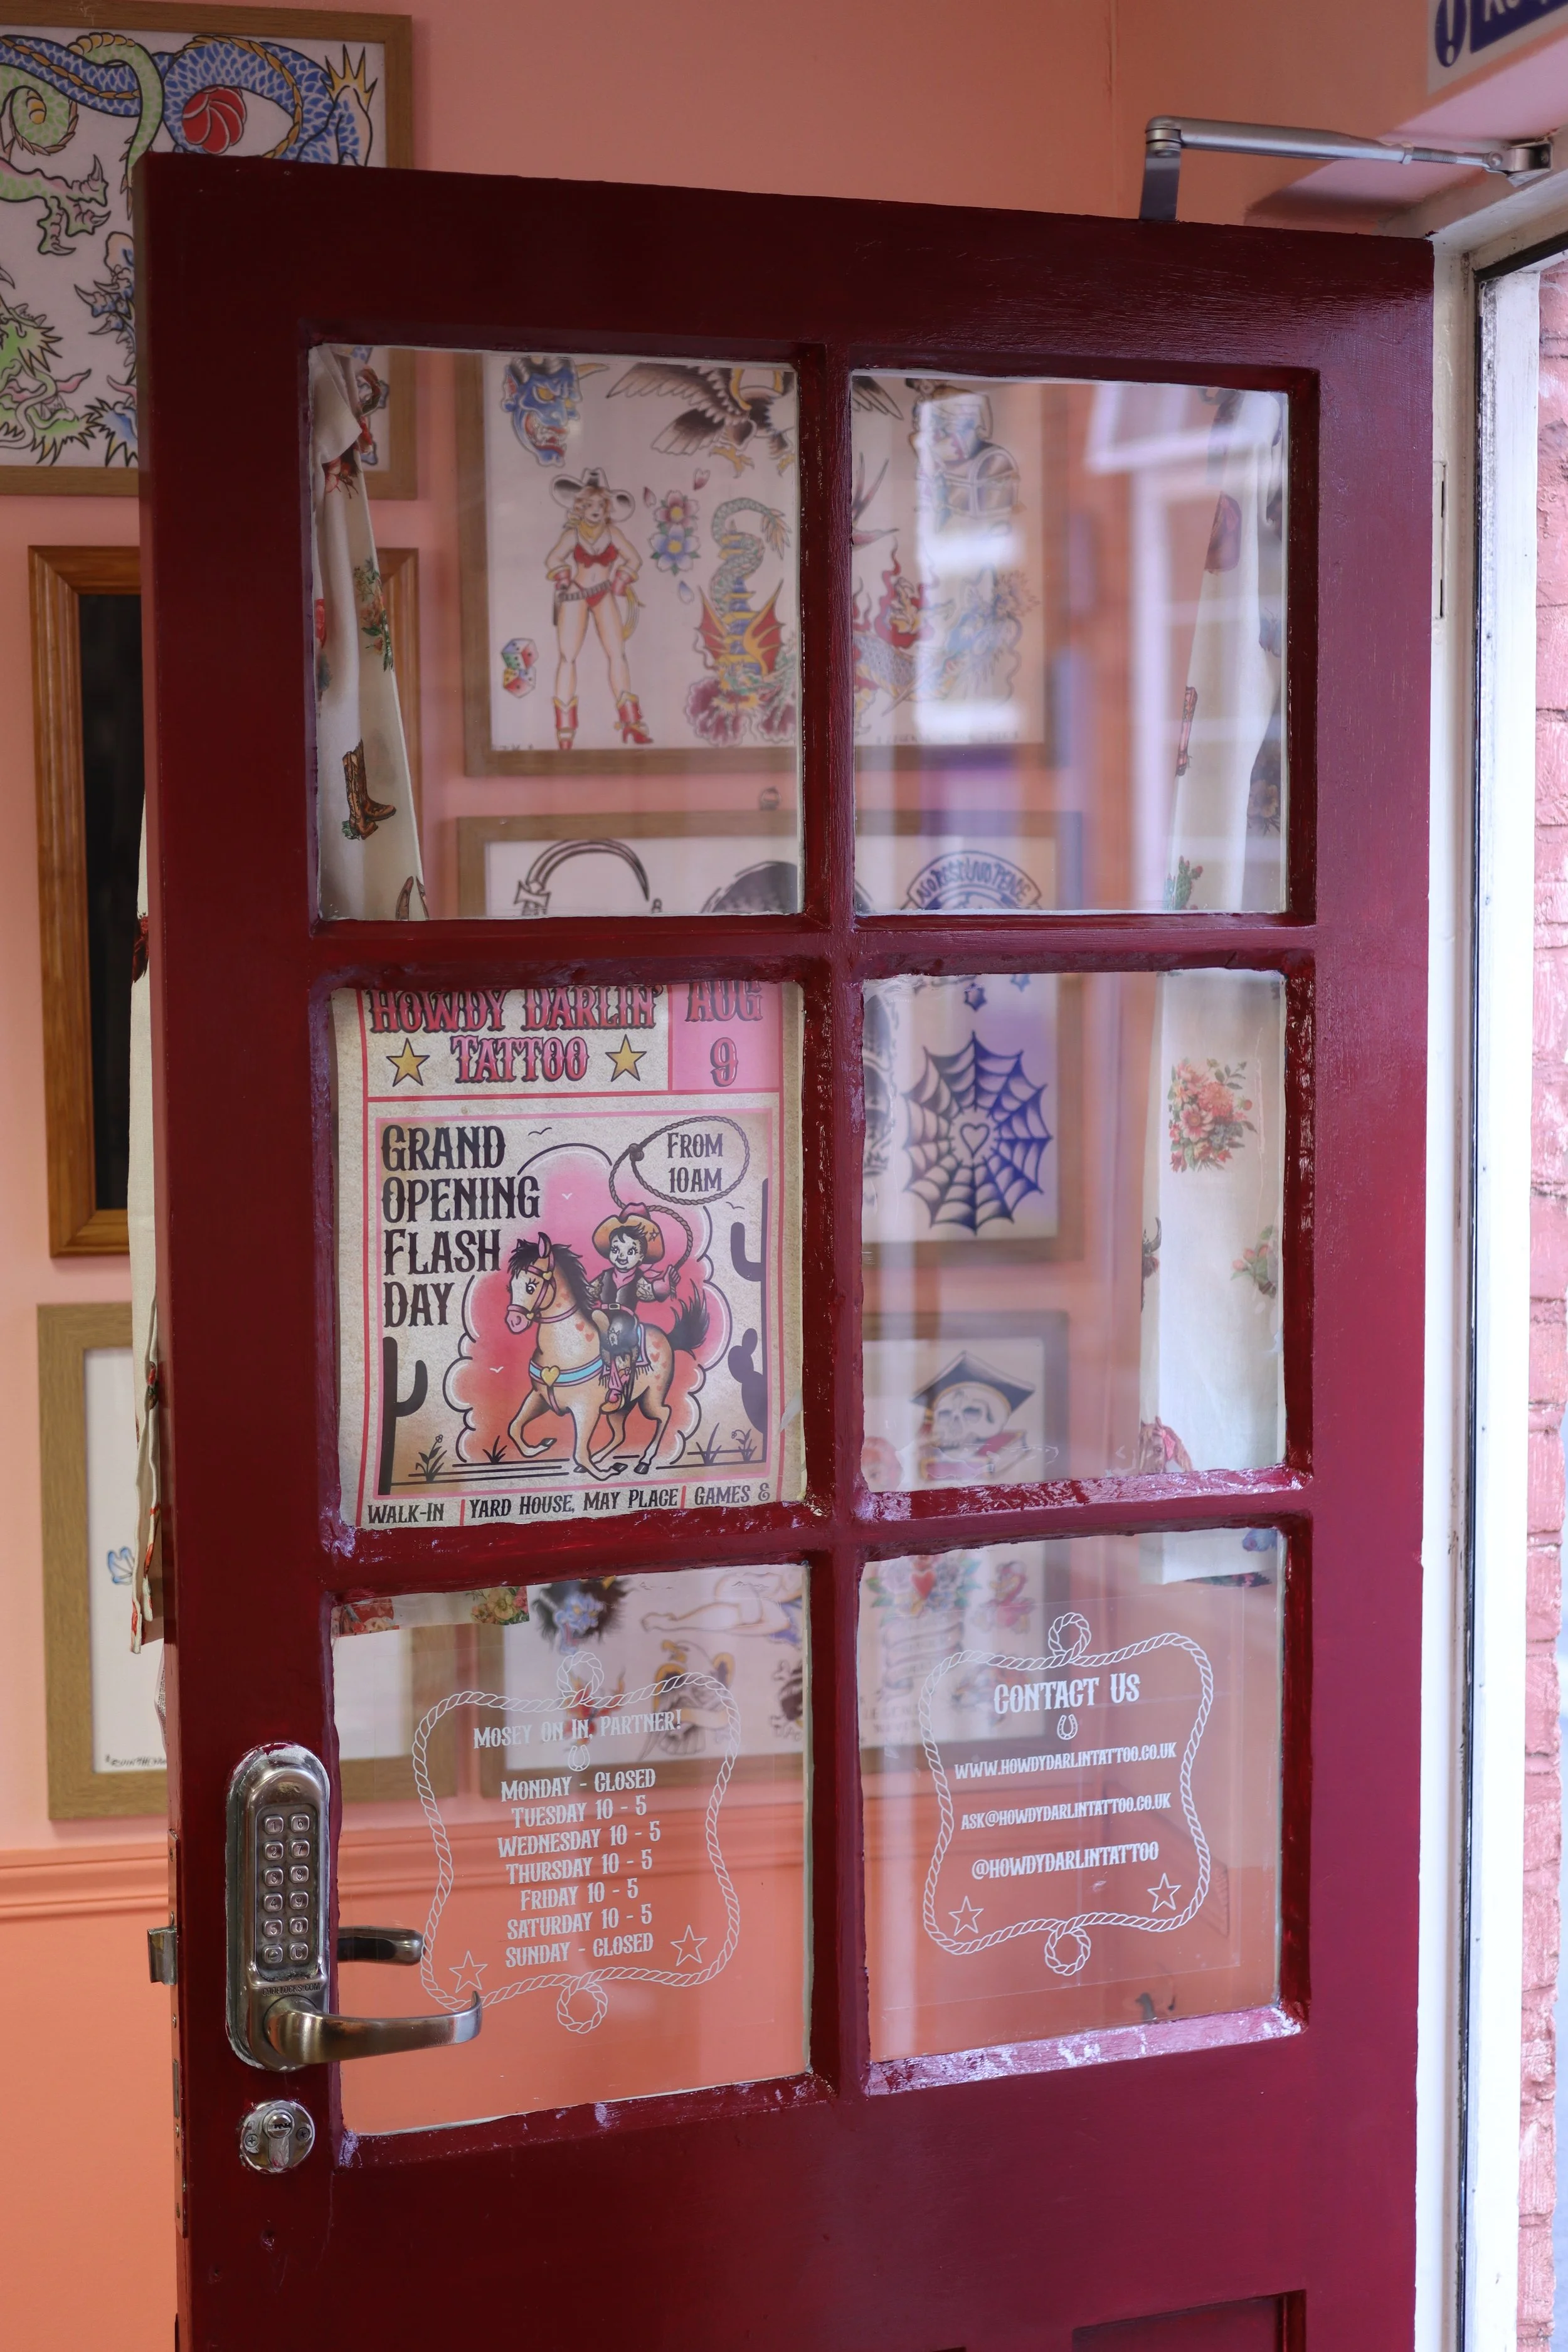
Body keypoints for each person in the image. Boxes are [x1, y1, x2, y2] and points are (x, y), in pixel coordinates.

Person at [543, 467, 651, 748]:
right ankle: (564, 731)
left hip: (604, 595)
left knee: (618, 655)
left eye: (600, 504)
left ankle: (631, 723)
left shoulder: (614, 533)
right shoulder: (572, 534)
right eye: (589, 504)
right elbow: (553, 560)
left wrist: (622, 578)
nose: (595, 509)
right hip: (577, 595)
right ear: (579, 507)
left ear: (607, 508)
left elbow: (635, 560)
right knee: (568, 657)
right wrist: (564, 575)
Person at [588, 1208, 677, 1402]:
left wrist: (664, 1287)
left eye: (630, 1251)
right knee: (587, 1324)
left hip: (624, 1317)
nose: (621, 1256)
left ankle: (617, 1384)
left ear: (641, 1257)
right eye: (616, 1249)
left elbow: (651, 1291)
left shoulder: (638, 1279)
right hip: (601, 1312)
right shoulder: (604, 1276)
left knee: (617, 1332)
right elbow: (589, 1291)